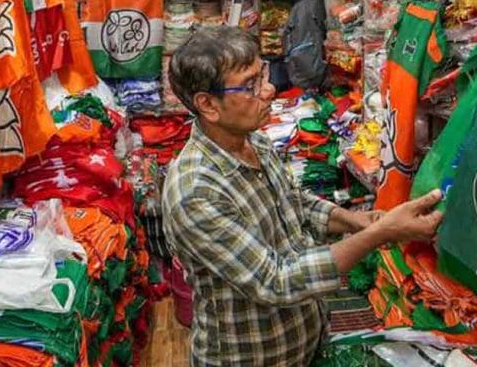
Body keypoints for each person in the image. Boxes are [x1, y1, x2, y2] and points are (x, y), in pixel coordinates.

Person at [162, 26, 444, 367]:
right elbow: (277, 280)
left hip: (301, 342)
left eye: (262, 73)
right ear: (207, 105)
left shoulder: (254, 142)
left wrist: (356, 220)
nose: (269, 89)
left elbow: (294, 201)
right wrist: (377, 235)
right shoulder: (196, 191)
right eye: (250, 85)